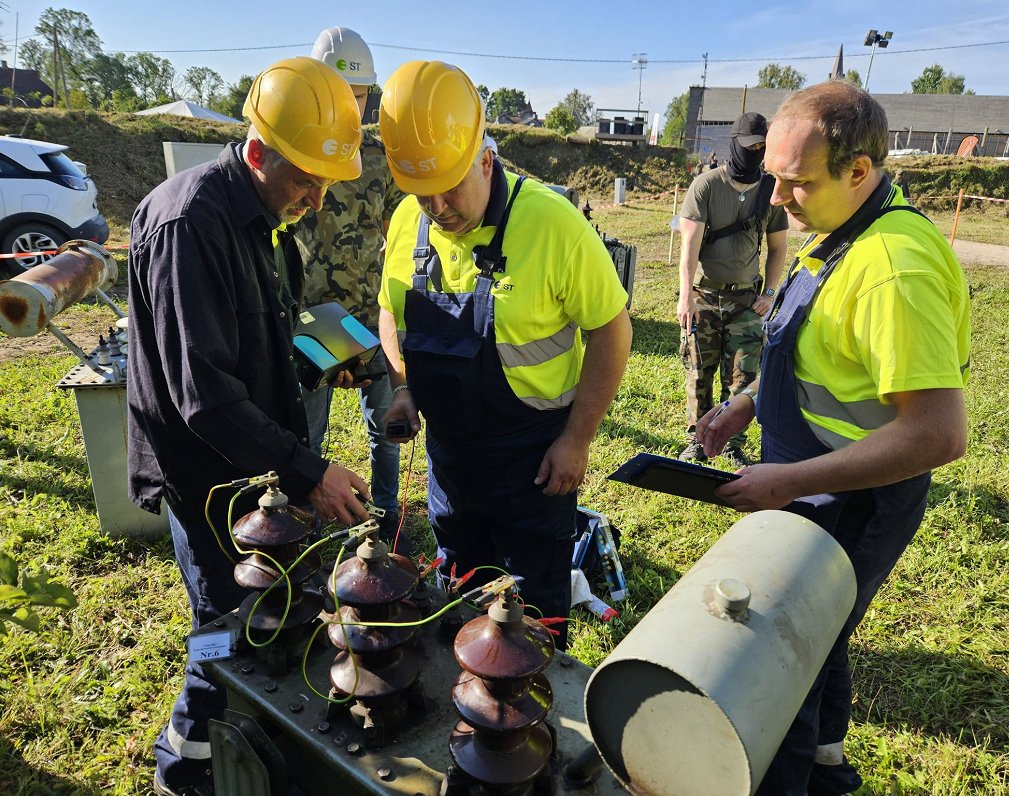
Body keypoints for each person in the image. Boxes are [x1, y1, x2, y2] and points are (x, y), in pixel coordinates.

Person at [697, 81, 970, 795]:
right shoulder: (839, 232)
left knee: (784, 661)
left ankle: (782, 778)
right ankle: (824, 764)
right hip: (811, 482)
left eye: (796, 184)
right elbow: (815, 348)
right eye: (774, 180)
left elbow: (938, 434)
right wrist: (746, 403)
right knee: (822, 635)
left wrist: (787, 482)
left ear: (859, 170)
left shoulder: (891, 268)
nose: (777, 201)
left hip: (853, 499)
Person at [126, 57, 371, 796]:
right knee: (225, 630)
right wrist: (309, 471)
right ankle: (186, 769)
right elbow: (203, 393)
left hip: (251, 468)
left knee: (264, 613)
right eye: (306, 180)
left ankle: (252, 751)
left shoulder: (259, 213)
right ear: (258, 152)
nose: (317, 200)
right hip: (206, 476)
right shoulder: (188, 222)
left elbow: (257, 339)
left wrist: (323, 356)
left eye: (327, 183)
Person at [376, 61, 632, 650]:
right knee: (459, 595)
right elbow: (392, 309)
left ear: (486, 159)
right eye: (422, 194)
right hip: (450, 455)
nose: (438, 207)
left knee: (532, 617)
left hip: (534, 458)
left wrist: (577, 440)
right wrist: (404, 386)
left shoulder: (553, 224)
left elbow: (613, 331)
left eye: (451, 187)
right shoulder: (408, 220)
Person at [296, 27, 406, 542]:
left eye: (360, 96)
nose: (352, 107)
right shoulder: (293, 151)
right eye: (341, 95)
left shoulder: (379, 159)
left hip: (367, 314)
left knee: (386, 429)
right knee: (306, 435)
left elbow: (397, 235)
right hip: (311, 321)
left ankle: (382, 516)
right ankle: (303, 517)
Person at [677, 111, 788, 467]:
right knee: (699, 370)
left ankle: (731, 441)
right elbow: (689, 247)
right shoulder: (706, 186)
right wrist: (686, 296)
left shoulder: (770, 190)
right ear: (734, 146)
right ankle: (697, 437)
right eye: (750, 146)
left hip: (746, 300)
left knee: (744, 374)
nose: (755, 152)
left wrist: (769, 294)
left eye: (762, 147)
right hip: (704, 297)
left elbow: (779, 248)